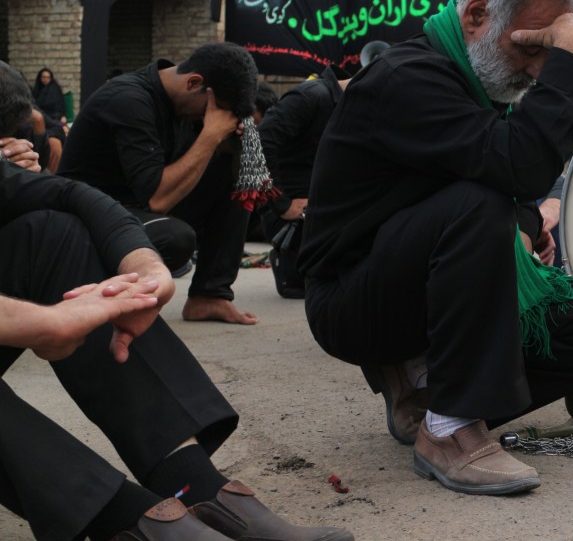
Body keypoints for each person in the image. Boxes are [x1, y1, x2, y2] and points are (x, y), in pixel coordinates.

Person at [298, 0, 573, 496]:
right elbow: (513, 169)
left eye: (549, 53)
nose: (537, 70)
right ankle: (451, 427)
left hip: (434, 281)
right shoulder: (405, 78)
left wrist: (522, 225)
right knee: (479, 207)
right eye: (531, 47)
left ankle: (428, 395)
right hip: (357, 301)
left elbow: (497, 179)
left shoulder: (481, 86)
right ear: (478, 14)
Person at [0, 64, 354, 541]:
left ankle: (195, 487)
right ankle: (124, 521)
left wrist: (147, 269)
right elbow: (157, 196)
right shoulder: (128, 101)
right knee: (164, 231)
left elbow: (71, 193)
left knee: (52, 232)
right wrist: (40, 322)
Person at [58, 43, 262, 326]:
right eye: (211, 111)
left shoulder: (183, 103)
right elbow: (157, 199)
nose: (208, 119)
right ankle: (94, 297)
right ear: (194, 83)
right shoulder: (129, 99)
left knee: (240, 175)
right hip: (87, 219)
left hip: (134, 210)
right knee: (175, 237)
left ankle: (209, 296)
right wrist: (211, 136)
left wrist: (231, 143)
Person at [257, 64, 353, 299]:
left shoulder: (351, 108)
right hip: (291, 216)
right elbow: (259, 141)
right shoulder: (311, 96)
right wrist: (281, 204)